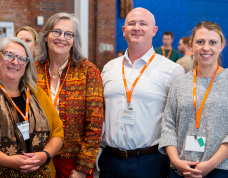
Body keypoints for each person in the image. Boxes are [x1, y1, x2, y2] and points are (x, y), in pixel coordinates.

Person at [0, 36, 64, 178]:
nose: (15, 62)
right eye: (9, 55)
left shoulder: (37, 94)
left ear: (27, 65)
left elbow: (57, 131)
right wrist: (8, 161)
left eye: (22, 58)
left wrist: (45, 155)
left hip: (40, 172)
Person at [100, 8, 184, 178]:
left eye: (143, 23)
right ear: (123, 31)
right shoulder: (109, 68)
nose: (136, 27)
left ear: (154, 31)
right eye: (131, 23)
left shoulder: (172, 70)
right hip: (109, 160)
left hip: (149, 162)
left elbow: (178, 120)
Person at [35, 12, 104, 178]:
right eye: (56, 32)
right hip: (36, 156)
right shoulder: (32, 70)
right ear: (46, 37)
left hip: (72, 162)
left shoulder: (88, 72)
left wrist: (83, 167)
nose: (62, 38)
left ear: (74, 41)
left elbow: (95, 125)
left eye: (68, 34)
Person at [159, 21, 228, 178]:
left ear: (221, 46)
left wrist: (211, 164)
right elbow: (168, 125)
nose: (206, 47)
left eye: (212, 42)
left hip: (221, 169)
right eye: (200, 42)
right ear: (191, 46)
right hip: (180, 170)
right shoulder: (179, 83)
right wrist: (176, 161)